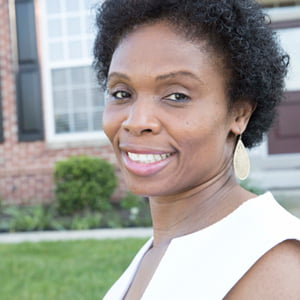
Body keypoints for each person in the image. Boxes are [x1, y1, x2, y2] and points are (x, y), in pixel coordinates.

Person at [93, 0, 300, 299]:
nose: (136, 121)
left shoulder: (274, 263)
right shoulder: (161, 247)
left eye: (177, 95)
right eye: (122, 93)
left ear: (239, 114)